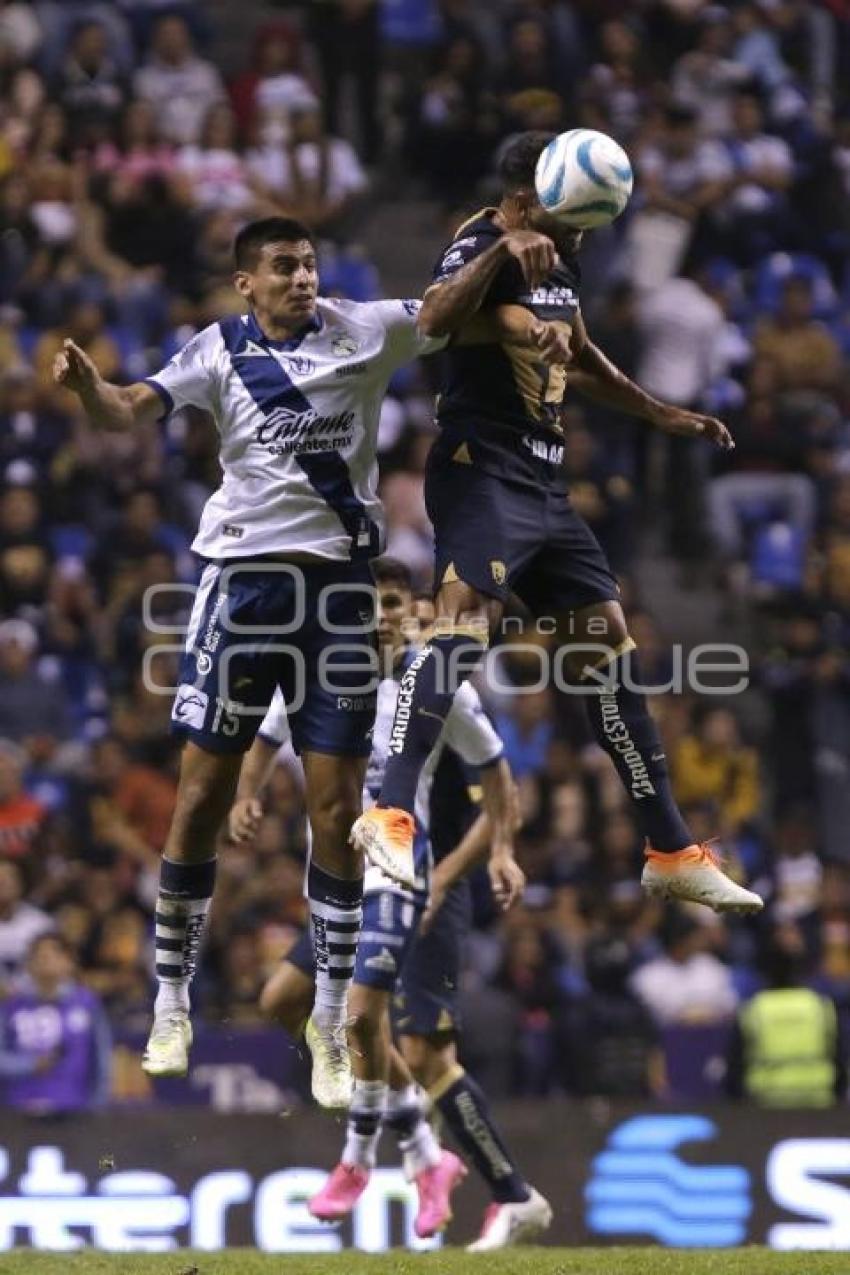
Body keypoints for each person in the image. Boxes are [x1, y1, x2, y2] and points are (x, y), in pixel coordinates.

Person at [52, 215, 448, 1098]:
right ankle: (172, 999)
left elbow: (448, 310)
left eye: (307, 264)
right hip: (242, 587)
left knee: (338, 802)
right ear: (246, 282)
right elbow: (125, 408)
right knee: (200, 796)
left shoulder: (367, 328)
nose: (302, 278)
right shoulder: (216, 350)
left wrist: (503, 245)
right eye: (283, 267)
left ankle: (333, 1021)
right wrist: (87, 388)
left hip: (341, 593)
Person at [352, 130, 763, 919]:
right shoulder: (480, 239)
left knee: (607, 644)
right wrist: (504, 248)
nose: (578, 239)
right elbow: (436, 319)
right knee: (459, 628)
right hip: (483, 468)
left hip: (544, 479)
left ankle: (671, 850)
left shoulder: (559, 250)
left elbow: (575, 348)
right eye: (568, 222)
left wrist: (658, 412)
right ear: (525, 199)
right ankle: (389, 814)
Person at [232, 559, 548, 1248]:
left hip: (409, 873)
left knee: (376, 1026)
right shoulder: (323, 676)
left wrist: (492, 855)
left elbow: (497, 781)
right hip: (340, 880)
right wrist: (246, 794)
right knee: (287, 999)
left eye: (395, 603)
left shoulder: (439, 689)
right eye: (369, 602)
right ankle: (432, 1160)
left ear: (419, 611)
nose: (381, 614)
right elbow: (262, 737)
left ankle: (365, 1162)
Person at [726, 926, 847, 1106]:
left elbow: (735, 1068)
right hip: (818, 1102)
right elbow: (839, 1059)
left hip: (765, 1104)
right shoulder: (821, 1006)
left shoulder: (754, 1009)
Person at [0, 932, 112, 1114]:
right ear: (28, 964)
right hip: (17, 1108)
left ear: (69, 962)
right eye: (39, 956)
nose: (45, 961)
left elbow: (101, 1059)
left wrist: (98, 1106)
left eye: (53, 955)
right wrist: (30, 1065)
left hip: (72, 1108)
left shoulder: (86, 1003)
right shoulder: (11, 1006)